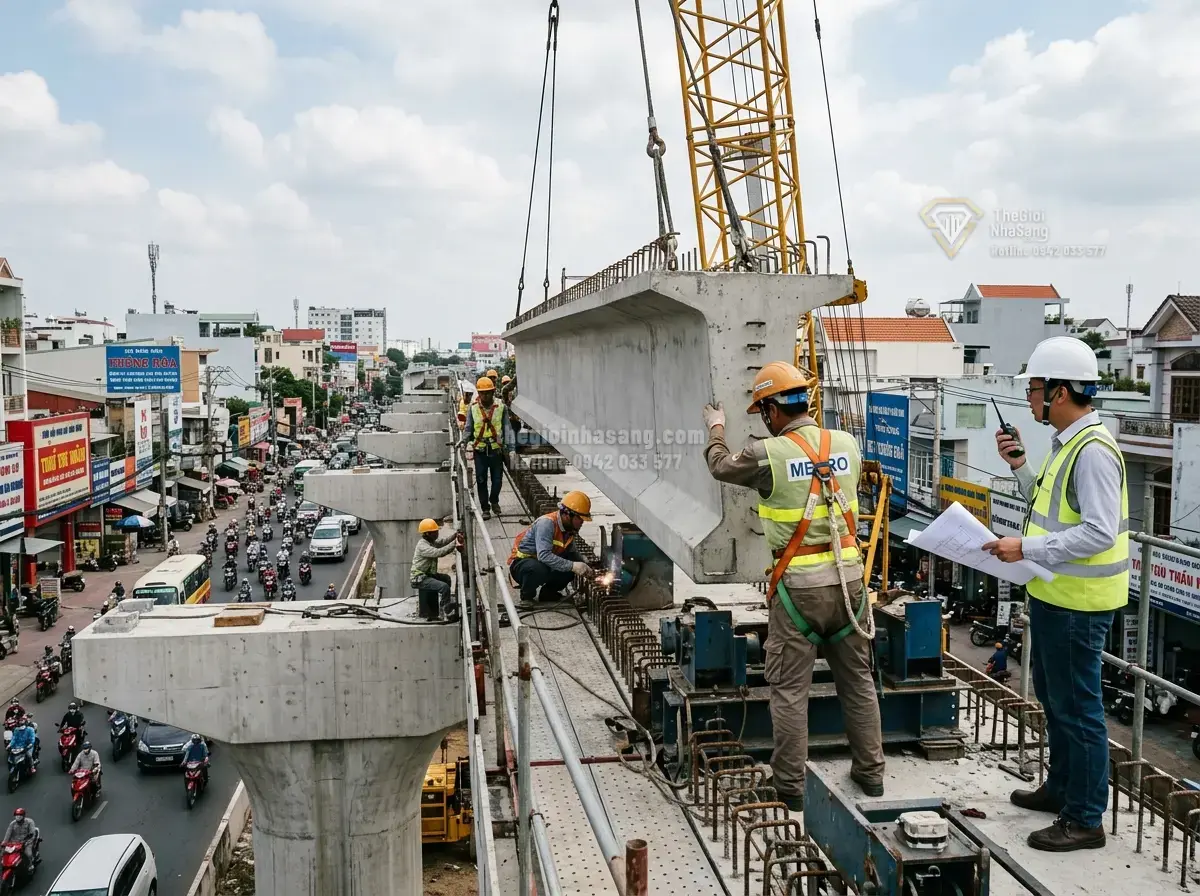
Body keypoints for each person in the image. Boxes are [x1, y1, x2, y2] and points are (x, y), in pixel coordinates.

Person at [702, 361, 884, 811]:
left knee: (789, 691)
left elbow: (720, 467)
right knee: (859, 682)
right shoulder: (846, 443)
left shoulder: (769, 453)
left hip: (799, 591)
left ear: (769, 411)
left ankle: (789, 788)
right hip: (849, 586)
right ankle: (871, 774)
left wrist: (717, 428)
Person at [984, 335, 1127, 852]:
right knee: (1055, 699)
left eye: (1036, 389)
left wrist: (1023, 548)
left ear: (1061, 392)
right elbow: (1046, 509)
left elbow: (1099, 531)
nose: (1029, 398)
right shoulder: (1066, 445)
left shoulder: (1092, 452)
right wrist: (1020, 466)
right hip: (1055, 596)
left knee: (1078, 709)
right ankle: (1063, 791)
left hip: (1078, 605)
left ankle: (1085, 818)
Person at [508, 491, 594, 602]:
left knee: (570, 564)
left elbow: (572, 553)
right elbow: (543, 556)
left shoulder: (569, 529)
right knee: (539, 569)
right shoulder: (547, 524)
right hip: (523, 565)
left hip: (543, 563)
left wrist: (585, 565)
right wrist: (573, 566)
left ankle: (548, 594)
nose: (582, 523)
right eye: (580, 519)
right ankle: (527, 597)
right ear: (568, 515)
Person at [468, 377, 512, 520]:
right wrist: (464, 441)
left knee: (497, 480)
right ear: (478, 394)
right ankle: (485, 508)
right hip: (480, 450)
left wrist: (511, 448)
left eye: (488, 393)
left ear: (493, 392)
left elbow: (507, 429)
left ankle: (494, 500)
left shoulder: (501, 407)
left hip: (496, 449)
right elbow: (469, 428)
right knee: (481, 480)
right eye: (482, 393)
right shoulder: (473, 408)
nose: (485, 396)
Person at [411, 519, 463, 618]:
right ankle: (444, 612)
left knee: (446, 578)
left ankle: (445, 604)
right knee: (444, 587)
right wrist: (455, 544)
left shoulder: (431, 541)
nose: (437, 534)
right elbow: (438, 552)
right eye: (435, 532)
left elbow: (443, 542)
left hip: (428, 575)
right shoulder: (423, 546)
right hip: (419, 578)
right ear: (428, 534)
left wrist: (454, 536)